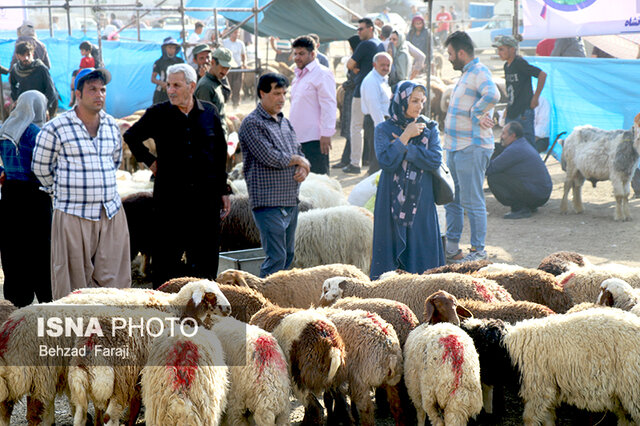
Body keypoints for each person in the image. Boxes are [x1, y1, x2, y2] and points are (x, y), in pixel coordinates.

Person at [124, 64, 230, 288]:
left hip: (205, 203)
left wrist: (224, 190)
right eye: (168, 85)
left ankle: (204, 315)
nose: (170, 90)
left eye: (176, 85)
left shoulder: (209, 112)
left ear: (191, 86)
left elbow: (220, 154)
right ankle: (164, 315)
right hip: (170, 203)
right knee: (165, 265)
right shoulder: (158, 114)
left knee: (206, 264)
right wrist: (150, 161)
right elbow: (131, 135)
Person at [32, 68, 131, 299]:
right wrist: (61, 191)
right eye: (92, 89)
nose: (100, 95)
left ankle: (110, 330)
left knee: (114, 281)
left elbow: (115, 161)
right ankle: (75, 333)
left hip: (110, 212)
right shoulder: (57, 127)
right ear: (78, 93)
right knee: (73, 284)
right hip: (73, 213)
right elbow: (40, 166)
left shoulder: (110, 125)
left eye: (103, 90)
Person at [238, 73, 310, 277]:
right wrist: (298, 161)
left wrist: (304, 167)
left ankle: (279, 300)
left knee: (287, 255)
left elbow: (299, 150)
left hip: (289, 200)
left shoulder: (284, 122)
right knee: (276, 257)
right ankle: (263, 299)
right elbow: (269, 156)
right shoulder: (252, 124)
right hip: (268, 202)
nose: (281, 98)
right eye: (276, 93)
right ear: (262, 93)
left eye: (284, 94)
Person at [370, 81, 445, 279]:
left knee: (422, 253)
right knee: (390, 257)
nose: (419, 106)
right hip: (390, 201)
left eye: (422, 101)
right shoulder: (383, 129)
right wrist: (406, 135)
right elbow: (386, 161)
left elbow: (435, 159)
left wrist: (407, 149)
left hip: (421, 200)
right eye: (414, 101)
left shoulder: (430, 127)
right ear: (401, 101)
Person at [443, 31, 500, 263]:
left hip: (472, 147)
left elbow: (493, 94)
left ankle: (478, 252)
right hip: (457, 147)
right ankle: (453, 248)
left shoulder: (479, 72)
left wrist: (476, 113)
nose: (449, 58)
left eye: (450, 54)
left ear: (461, 53)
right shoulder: (467, 74)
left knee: (472, 200)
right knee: (452, 199)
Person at [0, 91, 53, 307]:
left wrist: (3, 171)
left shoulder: (4, 130)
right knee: (41, 247)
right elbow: (45, 167)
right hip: (36, 196)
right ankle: (45, 297)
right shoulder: (37, 133)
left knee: (14, 246)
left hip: (10, 195)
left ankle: (18, 299)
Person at [289, 35, 336, 175]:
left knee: (318, 182)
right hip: (298, 138)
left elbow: (329, 105)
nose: (297, 57)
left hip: (315, 140)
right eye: (295, 53)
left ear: (313, 54)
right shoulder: (298, 75)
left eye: (302, 54)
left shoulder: (322, 73)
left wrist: (326, 134)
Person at [486, 121, 552, 219]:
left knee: (494, 178)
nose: (501, 136)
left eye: (504, 133)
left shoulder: (515, 149)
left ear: (513, 135)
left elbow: (490, 169)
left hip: (538, 194)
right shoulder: (522, 144)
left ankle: (520, 209)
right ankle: (529, 205)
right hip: (542, 193)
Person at [345, 17, 383, 174]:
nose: (358, 32)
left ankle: (355, 163)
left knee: (356, 127)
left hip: (361, 90)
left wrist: (355, 68)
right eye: (358, 29)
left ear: (371, 28)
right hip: (377, 90)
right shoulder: (380, 44)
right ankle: (375, 164)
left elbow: (349, 64)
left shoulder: (365, 44)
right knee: (376, 126)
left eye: (361, 29)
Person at [493, 35, 547, 147]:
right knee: (507, 143)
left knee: (527, 144)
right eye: (498, 50)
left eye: (502, 49)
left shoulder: (519, 63)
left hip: (523, 112)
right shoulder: (507, 66)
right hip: (512, 111)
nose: (499, 53)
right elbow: (511, 89)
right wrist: (508, 107)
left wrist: (535, 97)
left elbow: (542, 74)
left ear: (512, 49)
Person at [361, 52, 393, 175]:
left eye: (388, 65)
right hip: (376, 121)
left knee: (381, 155)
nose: (385, 68)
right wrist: (382, 128)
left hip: (381, 120)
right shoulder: (371, 81)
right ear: (375, 65)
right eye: (382, 65)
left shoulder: (382, 79)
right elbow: (375, 107)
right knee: (377, 157)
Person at [333, 35, 361, 170]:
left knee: (352, 128)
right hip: (351, 97)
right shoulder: (357, 59)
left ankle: (347, 160)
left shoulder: (357, 61)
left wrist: (345, 84)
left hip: (352, 97)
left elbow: (354, 80)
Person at [194, 47, 235, 138]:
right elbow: (204, 121)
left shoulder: (216, 82)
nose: (225, 72)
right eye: (223, 67)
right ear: (212, 63)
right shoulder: (206, 86)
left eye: (228, 68)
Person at [9, 42, 58, 118]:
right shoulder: (15, 70)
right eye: (23, 55)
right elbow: (13, 86)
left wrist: (45, 107)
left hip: (41, 106)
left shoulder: (41, 68)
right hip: (24, 107)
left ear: (32, 55)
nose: (26, 58)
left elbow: (51, 91)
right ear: (17, 56)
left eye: (28, 55)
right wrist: (16, 100)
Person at [151, 37, 184, 105]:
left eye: (174, 48)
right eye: (169, 47)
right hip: (161, 93)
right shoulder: (159, 62)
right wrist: (162, 83)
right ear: (165, 48)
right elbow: (153, 79)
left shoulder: (180, 61)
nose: (172, 50)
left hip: (176, 92)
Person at [223, 29, 247, 108]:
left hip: (238, 67)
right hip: (227, 67)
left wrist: (244, 63)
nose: (237, 34)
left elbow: (243, 55)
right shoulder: (225, 42)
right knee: (227, 86)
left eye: (238, 33)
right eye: (235, 32)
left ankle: (235, 105)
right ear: (231, 33)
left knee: (237, 86)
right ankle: (225, 104)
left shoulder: (240, 43)